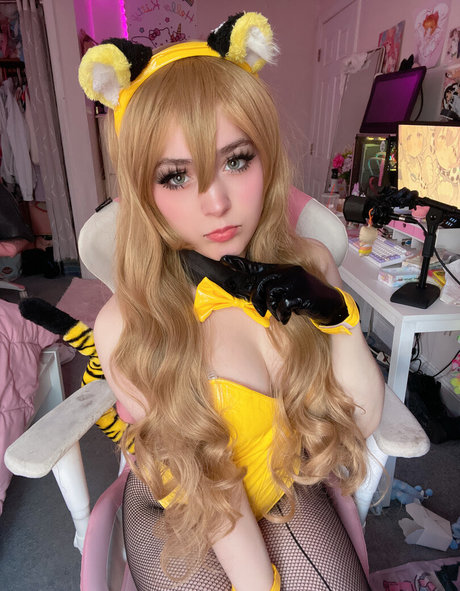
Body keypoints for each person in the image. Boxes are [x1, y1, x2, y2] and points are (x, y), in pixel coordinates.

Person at [80, 12, 384, 591]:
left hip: (279, 480)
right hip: (183, 498)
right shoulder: (126, 324)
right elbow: (204, 488)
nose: (215, 202)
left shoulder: (309, 264)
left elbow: (362, 420)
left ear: (265, 159)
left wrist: (335, 312)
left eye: (236, 160)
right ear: (143, 191)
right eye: (175, 176)